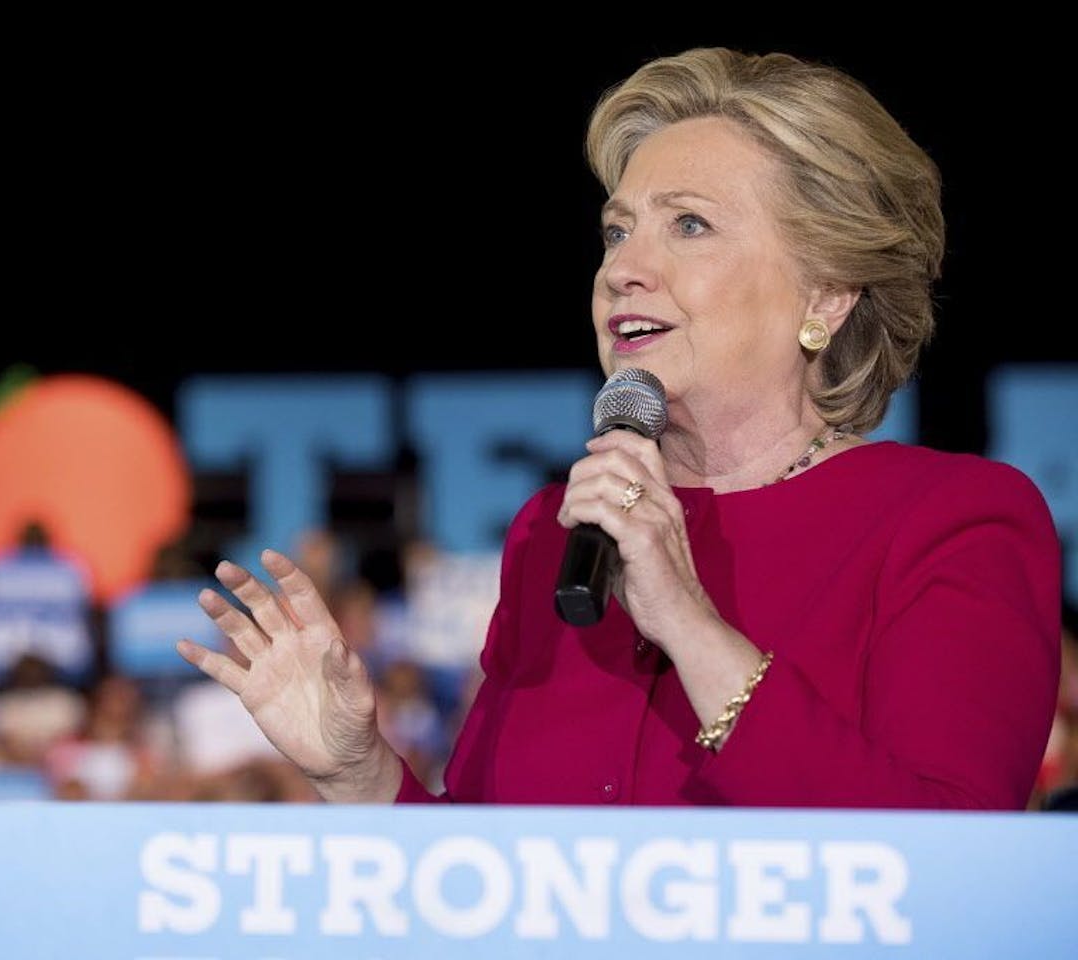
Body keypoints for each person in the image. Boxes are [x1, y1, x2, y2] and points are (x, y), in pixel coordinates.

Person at [177, 47, 1061, 809]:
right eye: (615, 231)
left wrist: (688, 621)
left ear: (827, 296)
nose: (624, 270)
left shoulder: (953, 519)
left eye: (689, 225)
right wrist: (358, 771)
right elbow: (493, 876)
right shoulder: (556, 534)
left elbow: (953, 867)